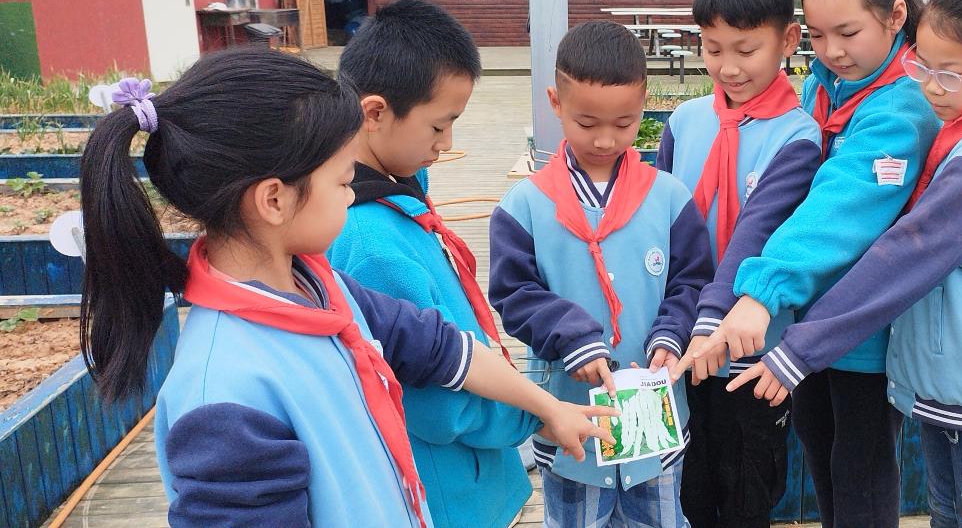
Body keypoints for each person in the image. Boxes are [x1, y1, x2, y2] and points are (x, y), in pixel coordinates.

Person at [78, 48, 613, 527]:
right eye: (341, 183)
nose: (352, 196)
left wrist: (549, 408)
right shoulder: (224, 397)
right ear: (274, 200)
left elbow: (443, 348)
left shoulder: (322, 287)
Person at [729, 0, 962, 528]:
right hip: (950, 377)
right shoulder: (961, 131)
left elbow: (902, 257)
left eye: (951, 73)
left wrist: (800, 347)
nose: (932, 87)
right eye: (923, 66)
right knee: (951, 511)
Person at [676, 0, 940, 527]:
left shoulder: (898, 111)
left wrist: (761, 291)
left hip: (860, 334)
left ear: (895, 16)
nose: (832, 51)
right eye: (818, 35)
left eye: (847, 33)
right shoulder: (827, 84)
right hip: (807, 328)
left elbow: (836, 210)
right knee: (823, 464)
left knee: (861, 478)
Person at [489, 20, 714, 527]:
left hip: (653, 416)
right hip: (572, 419)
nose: (607, 139)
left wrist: (672, 334)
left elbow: (692, 282)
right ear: (555, 102)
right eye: (587, 123)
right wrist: (574, 339)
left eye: (626, 123)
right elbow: (513, 294)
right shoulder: (525, 205)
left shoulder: (669, 198)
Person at [328, 0, 537, 528]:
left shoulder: (398, 192)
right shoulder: (367, 239)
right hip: (449, 496)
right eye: (439, 126)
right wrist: (532, 414)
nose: (446, 145)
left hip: (478, 478)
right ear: (374, 112)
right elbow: (435, 404)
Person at [653, 0, 822, 528]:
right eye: (712, 47)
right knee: (688, 485)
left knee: (750, 488)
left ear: (788, 41)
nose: (727, 67)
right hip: (680, 346)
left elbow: (760, 229)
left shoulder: (798, 137)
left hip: (754, 356)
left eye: (745, 50)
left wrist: (712, 322)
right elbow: (665, 224)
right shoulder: (683, 121)